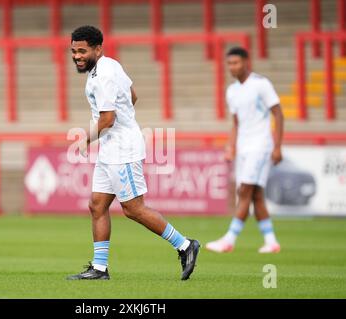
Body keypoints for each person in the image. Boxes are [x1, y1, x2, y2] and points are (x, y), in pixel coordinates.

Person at [66, 25, 200, 280]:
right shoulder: (110, 65)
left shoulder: (103, 76)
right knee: (97, 205)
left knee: (133, 208)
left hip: (122, 149)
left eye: (82, 51)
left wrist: (85, 139)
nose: (77, 56)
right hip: (111, 149)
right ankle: (100, 268)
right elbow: (133, 96)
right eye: (73, 51)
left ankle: (185, 245)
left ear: (97, 48)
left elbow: (108, 119)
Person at [206, 47, 284, 254]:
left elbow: (278, 113)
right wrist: (231, 146)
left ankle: (229, 240)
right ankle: (271, 241)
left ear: (246, 62)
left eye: (236, 63)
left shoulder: (261, 84)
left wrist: (277, 146)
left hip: (260, 146)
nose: (232, 67)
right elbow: (236, 123)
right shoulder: (232, 91)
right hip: (243, 148)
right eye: (229, 63)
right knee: (257, 195)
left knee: (244, 191)